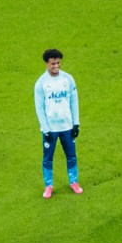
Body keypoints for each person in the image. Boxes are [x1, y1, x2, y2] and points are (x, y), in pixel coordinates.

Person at [35, 48, 82, 199]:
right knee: (48, 158)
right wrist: (46, 129)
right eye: (53, 63)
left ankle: (74, 182)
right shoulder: (41, 83)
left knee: (71, 156)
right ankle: (48, 186)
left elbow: (74, 102)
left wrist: (76, 123)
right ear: (46, 64)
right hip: (51, 129)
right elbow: (39, 107)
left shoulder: (68, 79)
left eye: (58, 63)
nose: (56, 66)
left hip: (67, 126)